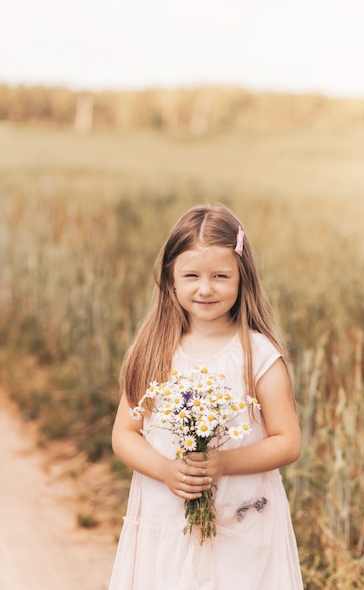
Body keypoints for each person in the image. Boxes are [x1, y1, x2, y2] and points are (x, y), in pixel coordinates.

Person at [109, 203, 303, 590]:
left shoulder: (258, 354)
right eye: (192, 275)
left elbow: (288, 442)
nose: (205, 288)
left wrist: (223, 463)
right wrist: (165, 470)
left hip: (243, 523)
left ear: (241, 278)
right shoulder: (156, 350)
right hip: (167, 520)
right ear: (171, 279)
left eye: (220, 276)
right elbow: (124, 434)